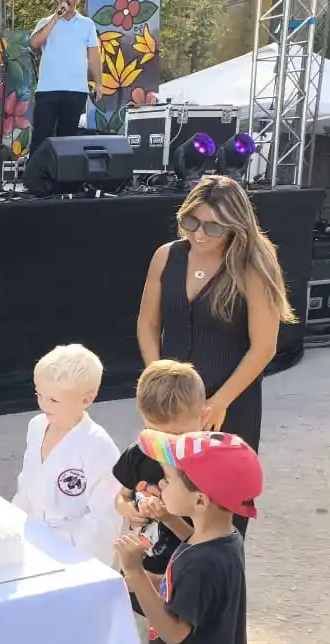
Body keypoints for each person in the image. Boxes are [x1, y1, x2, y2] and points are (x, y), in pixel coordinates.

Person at [136, 175, 297, 537]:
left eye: (213, 226)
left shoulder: (253, 266)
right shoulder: (166, 256)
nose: (200, 234)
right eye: (191, 221)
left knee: (220, 511)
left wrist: (221, 401)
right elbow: (147, 324)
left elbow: (264, 347)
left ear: (236, 225)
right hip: (172, 403)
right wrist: (157, 378)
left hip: (229, 402)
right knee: (165, 500)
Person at [115, 429, 262, 644]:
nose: (161, 484)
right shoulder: (225, 537)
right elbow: (193, 544)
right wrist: (169, 519)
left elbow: (173, 632)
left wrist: (135, 573)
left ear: (200, 501)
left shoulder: (201, 565)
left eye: (167, 479)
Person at [112, 360, 209, 636]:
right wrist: (128, 510)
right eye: (156, 432)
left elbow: (207, 539)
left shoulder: (208, 465)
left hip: (185, 571)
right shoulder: (138, 454)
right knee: (143, 627)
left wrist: (167, 516)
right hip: (141, 563)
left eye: (176, 434)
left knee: (178, 632)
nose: (165, 442)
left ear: (204, 418)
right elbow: (122, 497)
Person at [11, 344, 121, 566]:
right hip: (31, 539)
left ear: (86, 400)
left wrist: (58, 544)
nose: (43, 404)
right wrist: (15, 523)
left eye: (54, 400)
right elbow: (26, 485)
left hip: (71, 554)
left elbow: (106, 517)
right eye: (39, 395)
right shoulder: (37, 426)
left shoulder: (97, 445)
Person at [28, 0, 103, 154]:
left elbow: (94, 56)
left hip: (76, 90)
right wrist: (56, 17)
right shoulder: (45, 22)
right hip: (48, 90)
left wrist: (99, 84)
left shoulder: (87, 24)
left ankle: (64, 170)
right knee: (40, 137)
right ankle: (37, 170)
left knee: (68, 141)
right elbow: (35, 43)